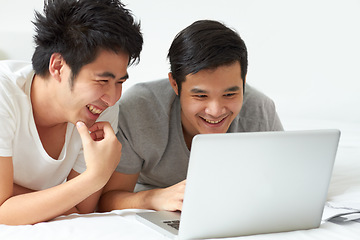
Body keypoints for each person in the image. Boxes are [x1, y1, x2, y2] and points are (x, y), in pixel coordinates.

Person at [98, 20, 283, 212]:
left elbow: (285, 186)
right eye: (200, 96)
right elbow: (107, 201)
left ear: (243, 81)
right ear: (175, 84)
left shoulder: (260, 112)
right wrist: (154, 198)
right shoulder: (139, 111)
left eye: (229, 95)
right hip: (155, 208)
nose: (215, 111)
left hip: (235, 208)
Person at [0, 0, 142, 225]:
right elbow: (2, 212)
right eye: (102, 80)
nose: (113, 97)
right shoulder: (4, 93)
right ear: (58, 67)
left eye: (119, 82)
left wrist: (15, 197)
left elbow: (81, 209)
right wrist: (96, 176)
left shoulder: (100, 108)